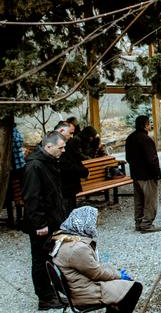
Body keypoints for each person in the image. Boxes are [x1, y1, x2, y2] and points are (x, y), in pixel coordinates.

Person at [50, 206, 143, 313]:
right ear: (85, 222)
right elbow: (97, 273)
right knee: (135, 287)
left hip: (77, 286)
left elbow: (91, 268)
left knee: (122, 285)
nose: (95, 225)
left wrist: (114, 274)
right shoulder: (77, 248)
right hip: (85, 293)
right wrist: (119, 275)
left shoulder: (64, 239)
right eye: (93, 222)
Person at [22, 131, 68, 310]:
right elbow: (32, 198)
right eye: (60, 147)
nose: (63, 150)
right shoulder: (35, 166)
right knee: (40, 261)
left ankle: (52, 293)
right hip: (42, 224)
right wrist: (40, 224)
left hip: (52, 220)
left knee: (50, 258)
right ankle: (45, 298)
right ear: (49, 146)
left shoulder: (48, 162)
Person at [125, 115, 161, 233]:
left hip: (136, 174)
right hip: (148, 175)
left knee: (139, 200)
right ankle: (146, 224)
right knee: (150, 200)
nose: (150, 125)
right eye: (149, 123)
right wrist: (157, 173)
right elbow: (152, 159)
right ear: (145, 125)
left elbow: (128, 158)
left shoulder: (130, 138)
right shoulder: (146, 140)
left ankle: (138, 222)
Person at [55, 120, 88, 214]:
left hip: (69, 187)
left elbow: (75, 158)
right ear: (61, 130)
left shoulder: (66, 143)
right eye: (70, 133)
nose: (72, 136)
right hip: (63, 188)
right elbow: (66, 166)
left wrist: (84, 171)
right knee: (66, 215)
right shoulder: (54, 144)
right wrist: (83, 172)